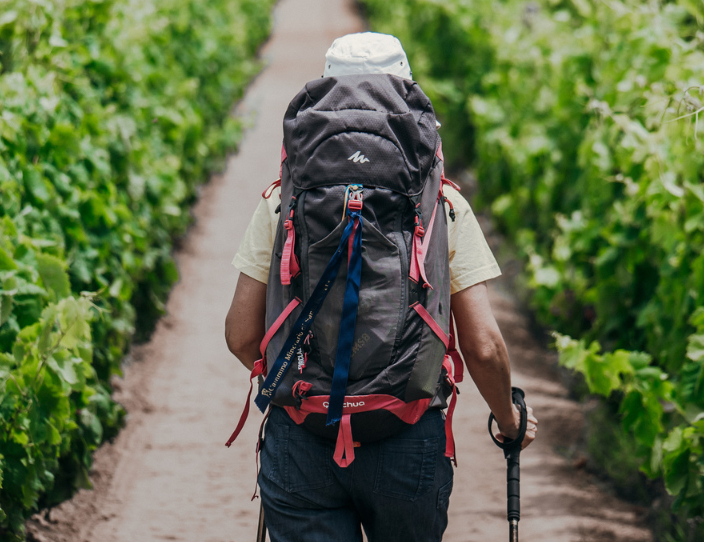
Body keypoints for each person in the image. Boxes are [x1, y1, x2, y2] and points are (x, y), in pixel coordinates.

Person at [224, 32, 537, 542]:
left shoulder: (283, 201)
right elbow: (482, 346)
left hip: (303, 435)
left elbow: (241, 335)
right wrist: (509, 418)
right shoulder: (444, 206)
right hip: (406, 436)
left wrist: (300, 385)